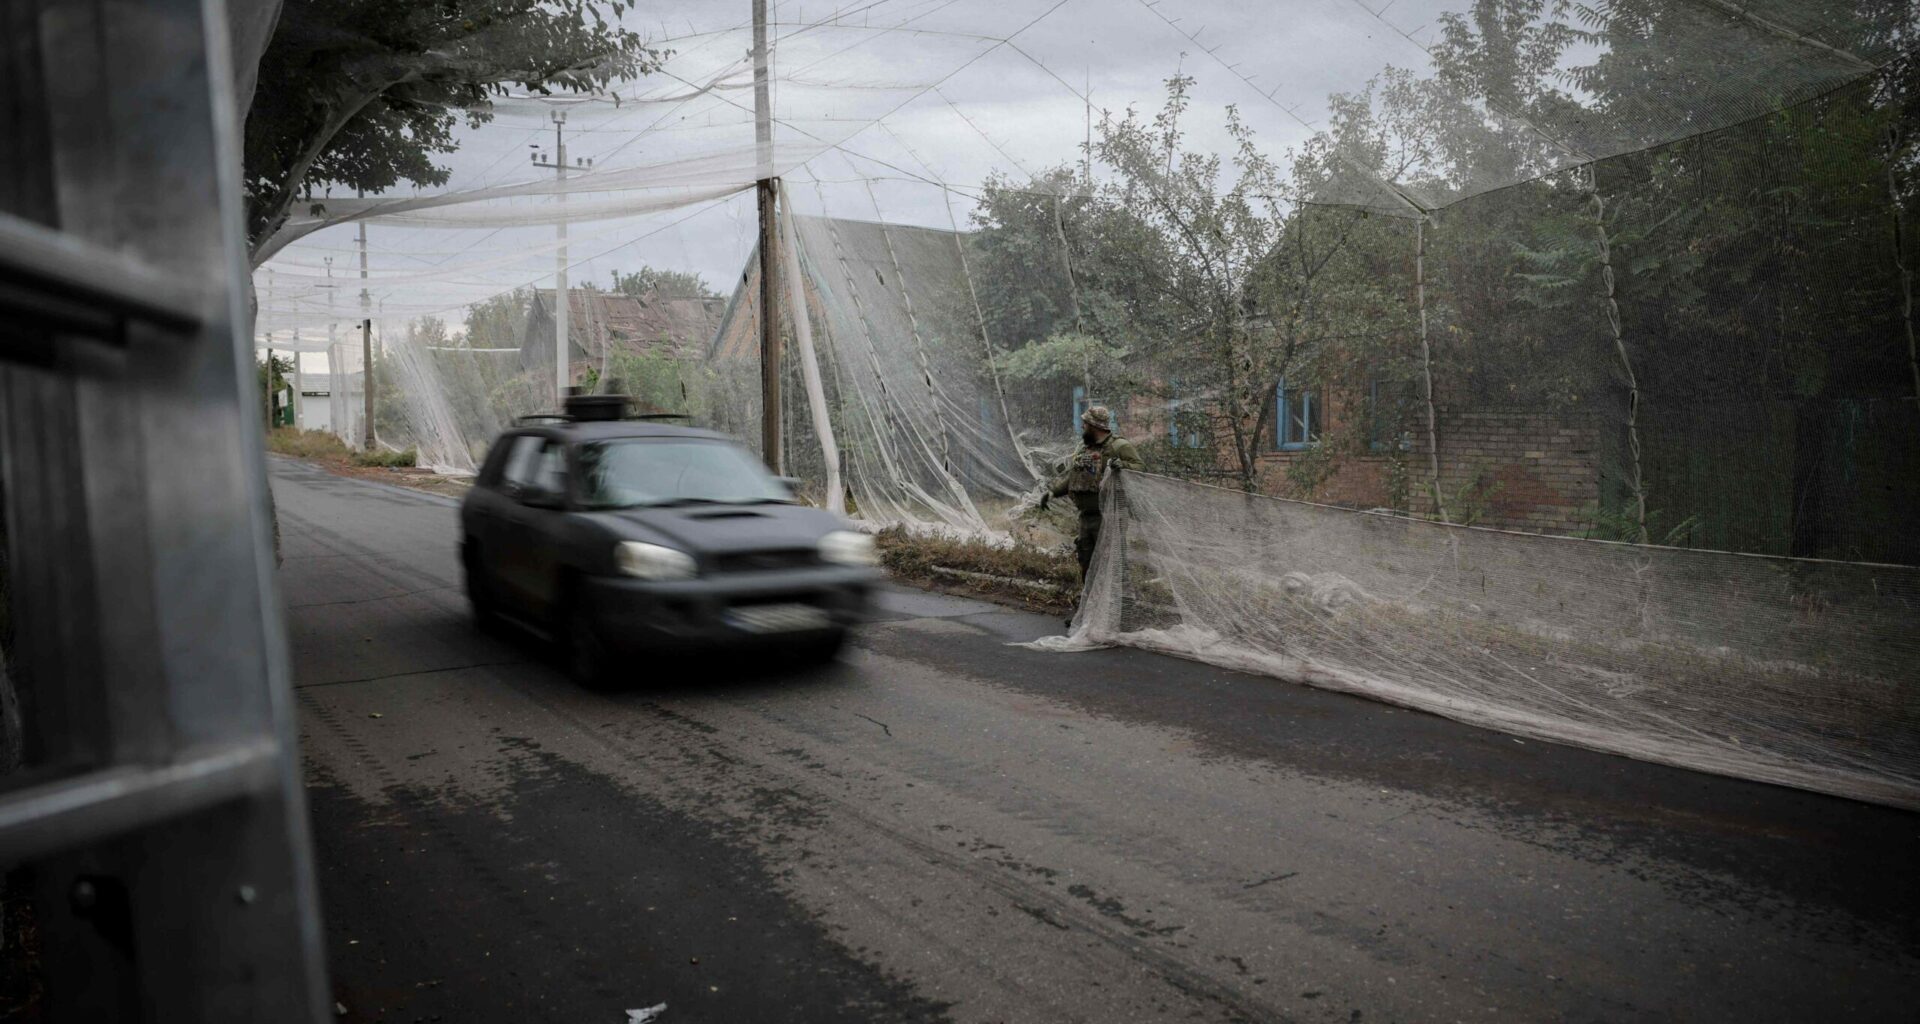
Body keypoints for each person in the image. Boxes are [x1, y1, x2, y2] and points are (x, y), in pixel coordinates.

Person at [1040, 405, 1143, 623]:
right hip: (1086, 518)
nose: (1083, 426)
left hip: (1111, 516)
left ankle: (1124, 613)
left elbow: (1140, 469)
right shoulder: (1084, 449)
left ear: (1095, 425)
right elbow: (1073, 478)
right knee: (1087, 565)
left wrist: (1120, 465)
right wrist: (1052, 493)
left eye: (1085, 423)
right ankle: (1087, 614)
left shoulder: (1119, 446)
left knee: (1115, 564)